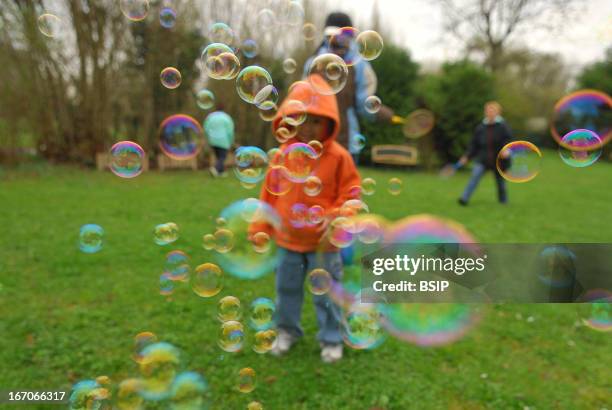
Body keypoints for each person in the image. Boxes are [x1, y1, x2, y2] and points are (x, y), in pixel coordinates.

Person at [249, 74, 360, 363]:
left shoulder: (339, 157)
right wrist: (261, 224)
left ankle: (332, 338)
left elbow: (352, 194)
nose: (307, 128)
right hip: (288, 241)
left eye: (315, 120)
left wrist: (335, 216)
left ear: (330, 122)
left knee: (327, 294)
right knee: (286, 290)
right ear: (289, 119)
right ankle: (287, 330)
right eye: (301, 119)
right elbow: (269, 196)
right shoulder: (283, 155)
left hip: (325, 244)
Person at [304, 12, 394, 164]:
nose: (339, 41)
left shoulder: (358, 65)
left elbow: (364, 103)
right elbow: (303, 99)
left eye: (343, 36)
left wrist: (380, 113)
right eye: (334, 36)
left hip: (345, 141)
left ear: (351, 37)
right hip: (317, 139)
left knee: (345, 186)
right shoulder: (314, 63)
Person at [455, 101, 512, 206]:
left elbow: (508, 140)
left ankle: (503, 202)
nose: (490, 113)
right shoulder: (480, 127)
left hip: (499, 160)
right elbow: (474, 145)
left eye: (493, 110)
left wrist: (506, 149)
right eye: (488, 110)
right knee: (474, 177)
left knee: (500, 183)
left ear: (498, 113)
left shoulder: (503, 126)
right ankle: (464, 198)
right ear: (485, 112)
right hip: (483, 159)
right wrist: (466, 157)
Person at [204, 107, 234, 177]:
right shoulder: (226, 118)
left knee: (218, 157)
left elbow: (206, 128)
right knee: (222, 157)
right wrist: (230, 141)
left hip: (213, 140)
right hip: (224, 141)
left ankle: (221, 172)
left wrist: (209, 139)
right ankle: (215, 168)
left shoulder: (210, 117)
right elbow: (230, 131)